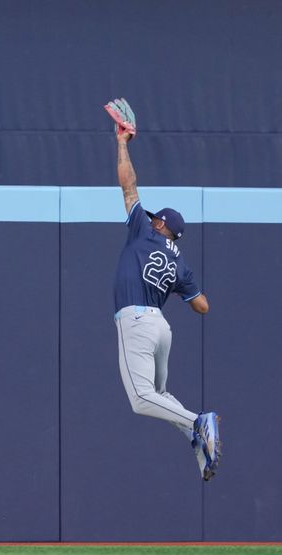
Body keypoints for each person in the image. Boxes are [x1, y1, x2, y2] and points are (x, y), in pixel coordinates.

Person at [110, 104, 221, 481]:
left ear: (159, 223)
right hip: (161, 328)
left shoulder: (144, 229)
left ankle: (198, 421)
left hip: (137, 321)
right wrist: (175, 286)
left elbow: (128, 184)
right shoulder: (181, 263)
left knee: (141, 400)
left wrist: (122, 144)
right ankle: (202, 453)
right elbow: (203, 306)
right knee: (160, 394)